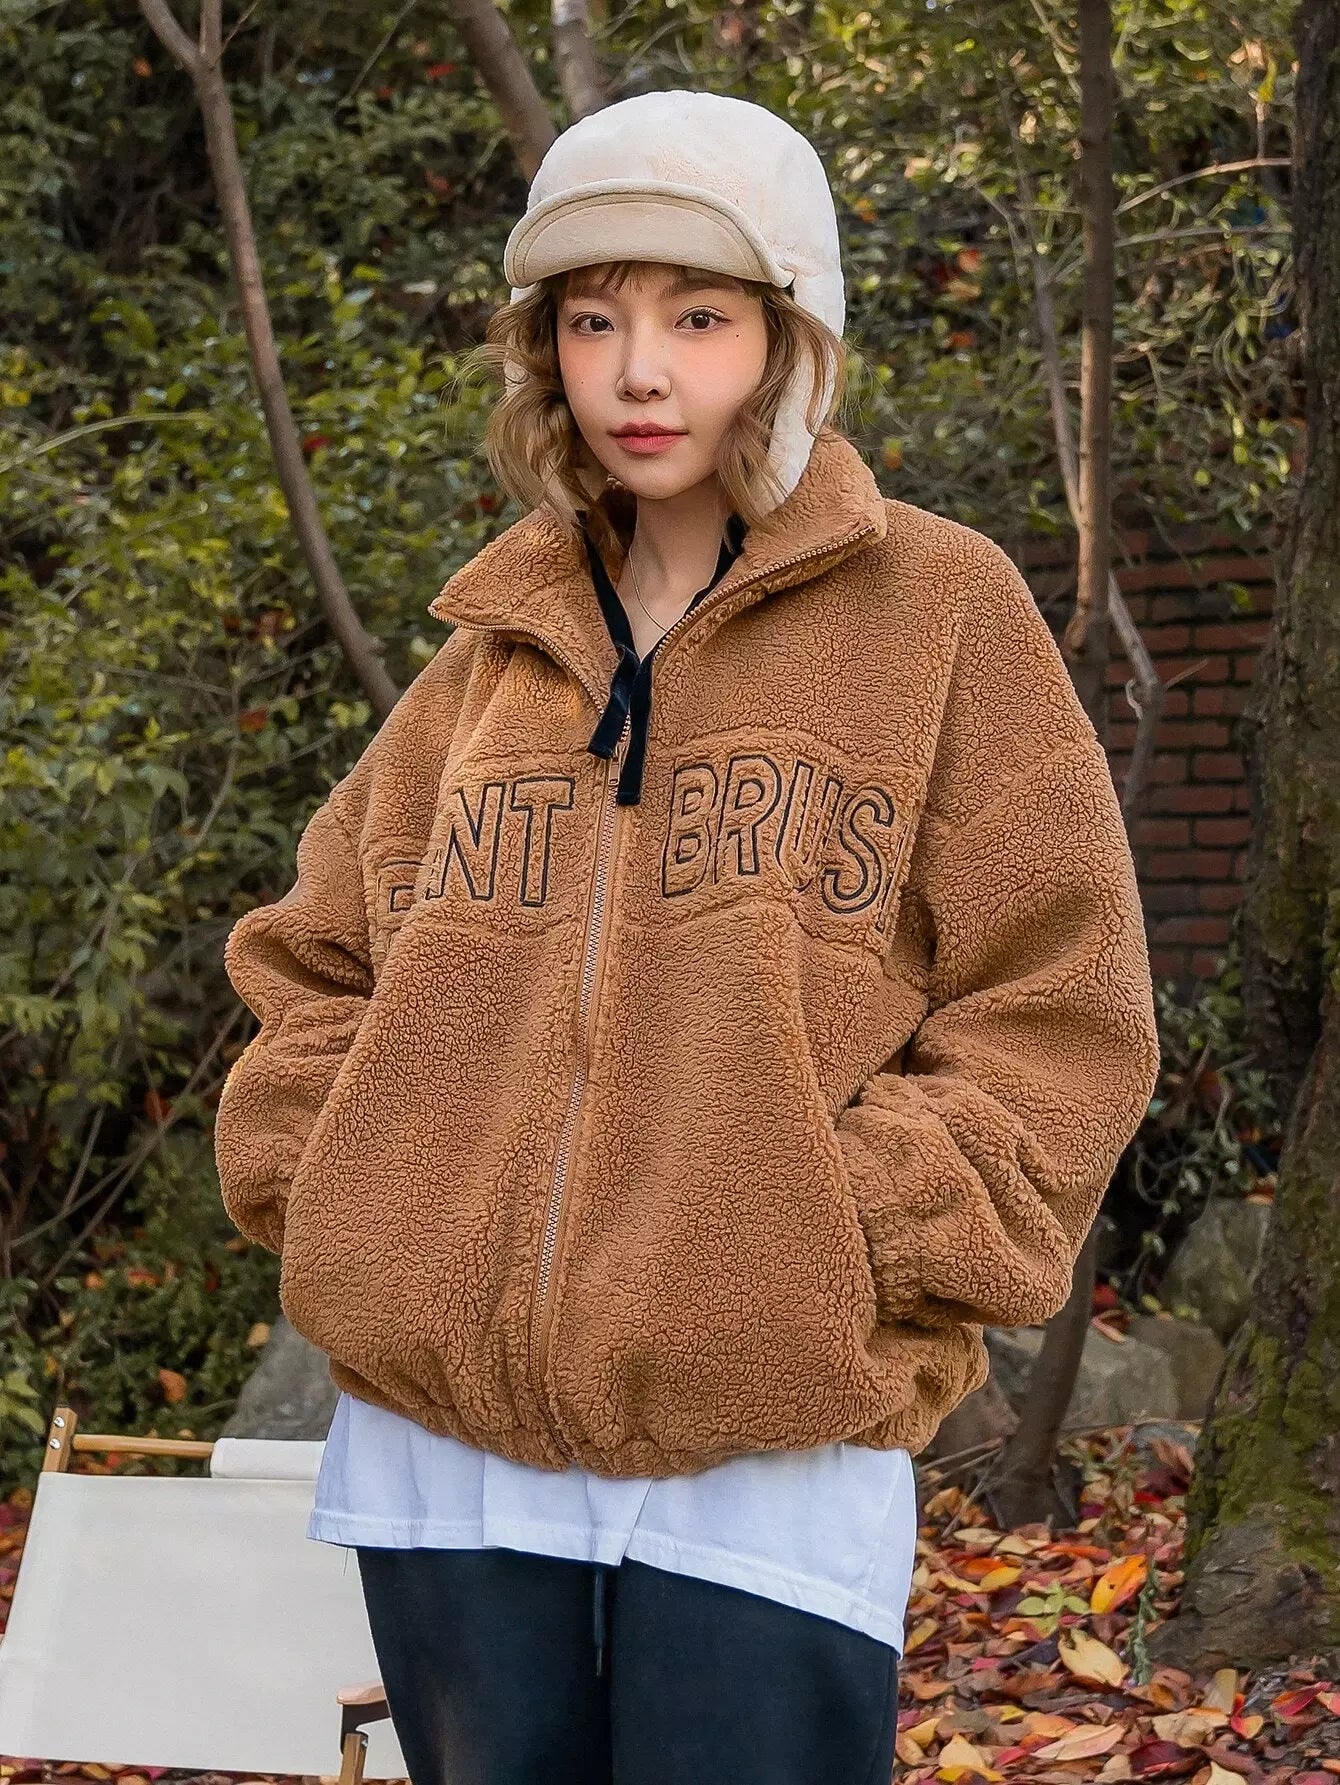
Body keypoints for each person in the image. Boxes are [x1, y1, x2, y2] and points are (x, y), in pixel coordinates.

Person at [213, 88, 1161, 1785]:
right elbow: (313, 961)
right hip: (447, 1449)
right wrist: (359, 1185)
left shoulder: (940, 612)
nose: (639, 373)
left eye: (698, 318)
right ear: (545, 351)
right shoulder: (493, 653)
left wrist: (839, 1230)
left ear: (791, 337)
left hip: (766, 1443)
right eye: (593, 321)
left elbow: (1061, 1003)